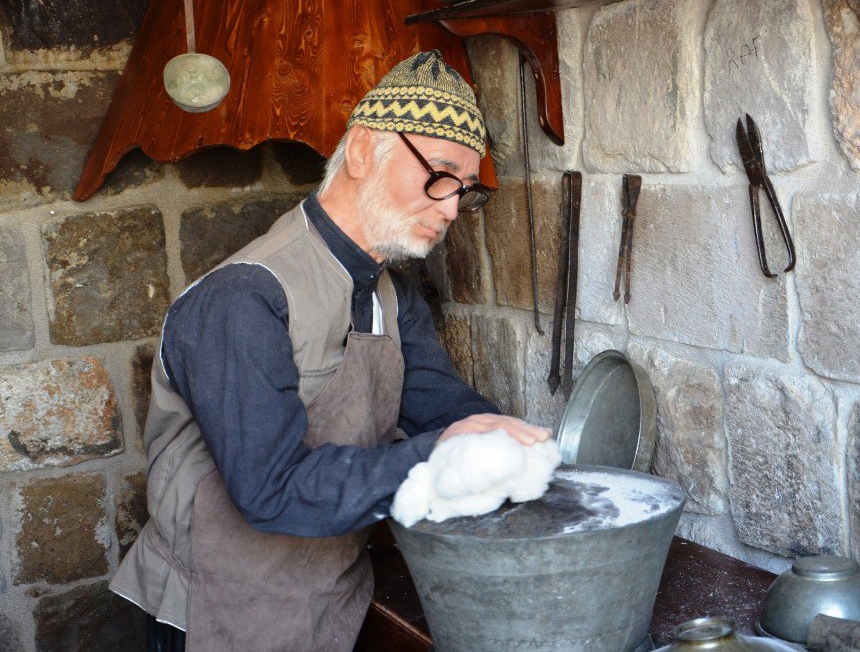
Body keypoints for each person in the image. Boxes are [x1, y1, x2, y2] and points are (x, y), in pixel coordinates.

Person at [111, 50, 552, 652]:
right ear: (366, 150)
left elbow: (443, 407)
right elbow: (270, 490)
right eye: (441, 175)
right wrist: (443, 456)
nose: (452, 208)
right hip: (219, 611)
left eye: (467, 191)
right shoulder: (243, 297)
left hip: (333, 599)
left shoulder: (392, 294)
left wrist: (517, 445)